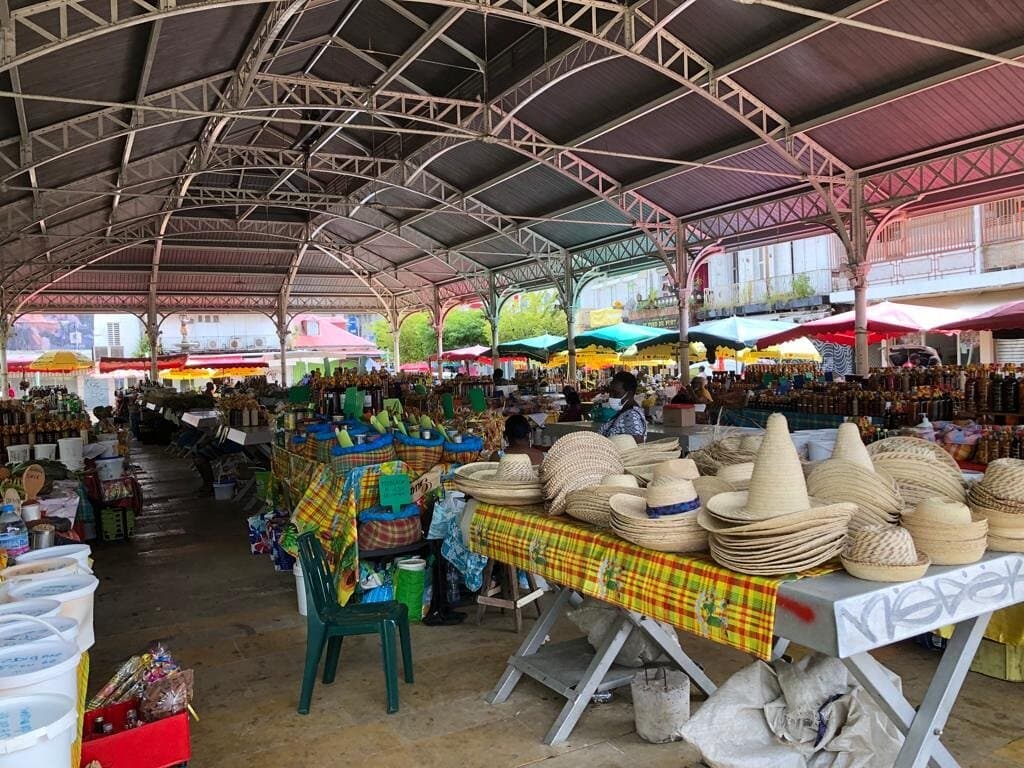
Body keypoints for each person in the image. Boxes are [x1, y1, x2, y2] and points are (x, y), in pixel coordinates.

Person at [598, 371, 647, 441]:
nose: (611, 397)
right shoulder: (623, 412)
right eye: (610, 392)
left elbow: (635, 446)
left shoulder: (632, 416)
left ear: (629, 393)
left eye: (616, 393)